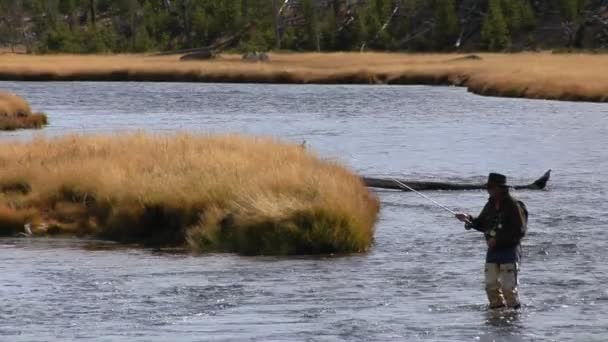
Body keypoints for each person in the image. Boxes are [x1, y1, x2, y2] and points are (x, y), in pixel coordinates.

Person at [456, 173, 527, 309]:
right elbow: (481, 223)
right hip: (493, 251)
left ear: (501, 188)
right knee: (491, 287)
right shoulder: (490, 205)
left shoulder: (514, 205)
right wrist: (468, 218)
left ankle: (514, 317)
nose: (488, 190)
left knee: (508, 289)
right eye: (488, 187)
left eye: (491, 187)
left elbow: (520, 231)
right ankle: (497, 316)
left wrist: (497, 240)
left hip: (509, 251)